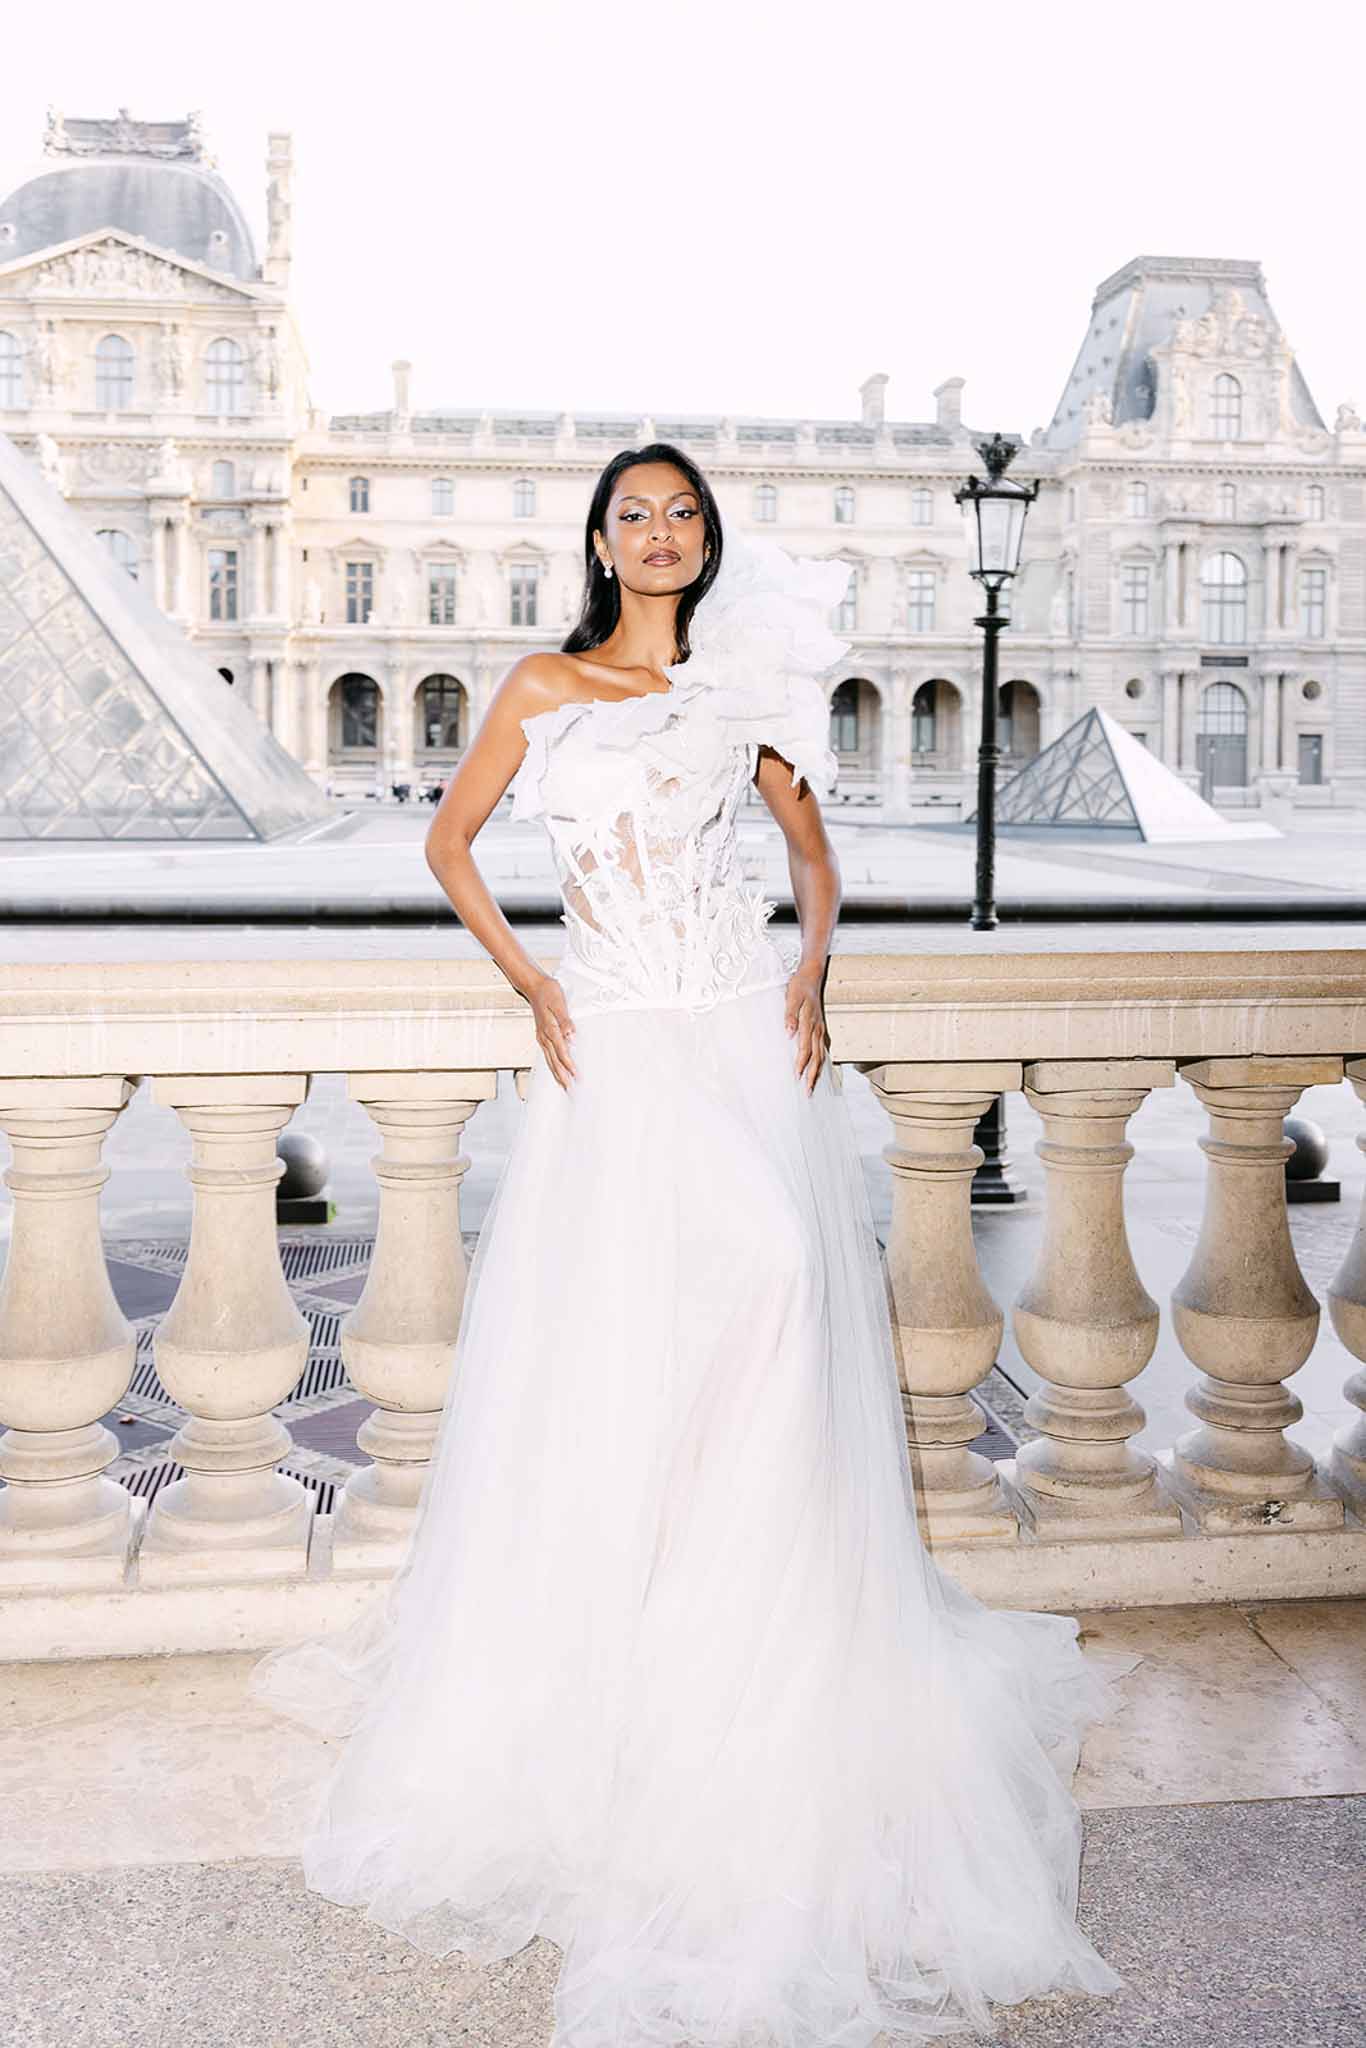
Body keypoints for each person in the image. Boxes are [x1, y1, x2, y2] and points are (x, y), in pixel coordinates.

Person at [248, 442, 1141, 2047]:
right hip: (613, 1044)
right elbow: (449, 846)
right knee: (621, 1339)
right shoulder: (537, 682)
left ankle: (757, 1630)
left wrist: (811, 974)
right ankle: (636, 1633)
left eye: (683, 516)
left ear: (704, 542)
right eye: (633, 515)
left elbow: (810, 849)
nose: (658, 534)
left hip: (732, 1029)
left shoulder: (741, 689)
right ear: (598, 539)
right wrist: (531, 983)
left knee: (784, 1288)